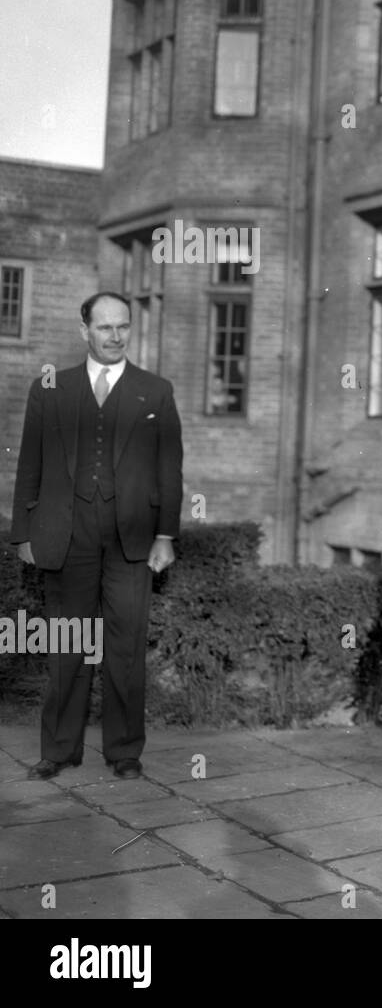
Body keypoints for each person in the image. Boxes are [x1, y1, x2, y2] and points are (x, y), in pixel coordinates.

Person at [12, 292, 184, 781]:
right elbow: (30, 464)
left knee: (126, 647)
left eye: (123, 327)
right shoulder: (50, 389)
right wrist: (23, 533)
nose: (115, 336)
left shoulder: (156, 391)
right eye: (105, 327)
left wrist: (165, 535)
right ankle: (60, 750)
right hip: (67, 535)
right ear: (83, 329)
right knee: (68, 644)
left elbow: (169, 470)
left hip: (132, 538)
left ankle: (124, 751)